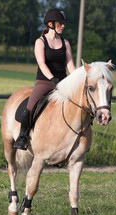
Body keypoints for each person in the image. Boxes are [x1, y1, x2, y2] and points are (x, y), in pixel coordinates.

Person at [14, 8, 76, 150]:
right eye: (60, 23)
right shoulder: (40, 42)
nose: (63, 26)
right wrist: (52, 79)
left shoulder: (65, 43)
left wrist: (77, 79)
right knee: (29, 108)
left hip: (63, 83)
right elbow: (41, 64)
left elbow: (70, 65)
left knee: (81, 104)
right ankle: (22, 136)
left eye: (63, 23)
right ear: (50, 24)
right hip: (45, 82)